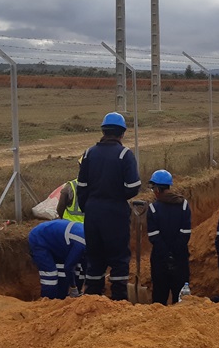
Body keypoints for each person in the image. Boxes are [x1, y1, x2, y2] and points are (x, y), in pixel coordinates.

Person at [78, 112, 141, 300]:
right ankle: (118, 301)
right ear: (122, 133)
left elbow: (82, 186)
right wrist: (116, 196)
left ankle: (92, 299)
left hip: (92, 213)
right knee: (119, 258)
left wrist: (89, 207)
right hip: (115, 213)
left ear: (103, 131)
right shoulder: (124, 154)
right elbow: (133, 187)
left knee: (94, 258)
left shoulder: (88, 153)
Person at [145, 169, 192, 305]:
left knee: (159, 299)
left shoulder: (153, 208)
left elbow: (154, 236)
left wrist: (166, 254)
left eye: (153, 188)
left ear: (157, 189)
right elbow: (185, 233)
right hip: (180, 258)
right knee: (181, 299)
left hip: (160, 259)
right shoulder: (183, 205)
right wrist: (174, 253)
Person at [28, 219, 87, 299]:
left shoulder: (88, 239)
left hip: (59, 244)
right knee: (50, 275)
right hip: (40, 238)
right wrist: (73, 287)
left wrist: (78, 290)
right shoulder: (81, 243)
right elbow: (68, 267)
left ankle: (61, 299)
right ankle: (47, 302)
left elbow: (83, 268)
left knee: (63, 274)